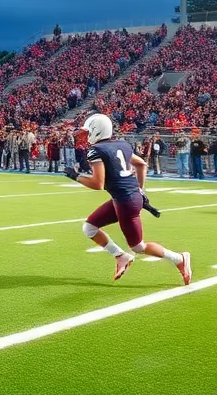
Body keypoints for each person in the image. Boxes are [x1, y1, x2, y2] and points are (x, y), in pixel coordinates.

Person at [65, 113, 190, 284]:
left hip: (126, 202)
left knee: (139, 246)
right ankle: (121, 256)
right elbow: (141, 164)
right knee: (89, 228)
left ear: (96, 131)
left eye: (88, 132)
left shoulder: (96, 150)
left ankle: (179, 258)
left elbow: (98, 183)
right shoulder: (121, 144)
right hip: (126, 198)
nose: (86, 136)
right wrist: (139, 189)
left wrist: (76, 176)